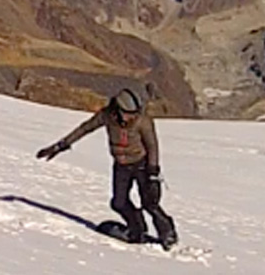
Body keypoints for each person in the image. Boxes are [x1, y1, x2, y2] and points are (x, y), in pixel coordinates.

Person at [36, 88, 178, 249]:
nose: (131, 116)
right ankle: (136, 228)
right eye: (128, 113)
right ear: (118, 109)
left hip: (142, 165)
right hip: (121, 165)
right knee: (119, 202)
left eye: (134, 113)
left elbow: (152, 146)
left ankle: (168, 232)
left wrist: (152, 172)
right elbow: (85, 128)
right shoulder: (107, 116)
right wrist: (60, 146)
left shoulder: (142, 121)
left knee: (150, 202)